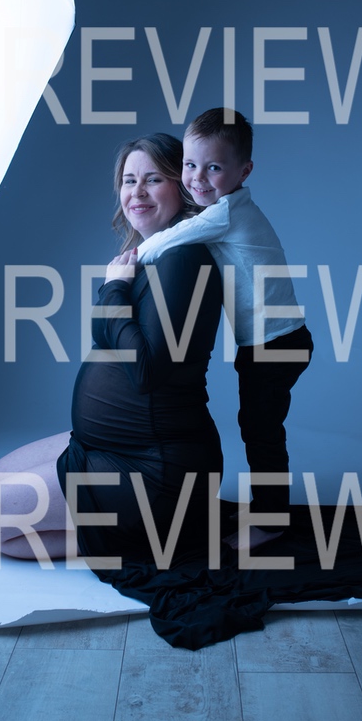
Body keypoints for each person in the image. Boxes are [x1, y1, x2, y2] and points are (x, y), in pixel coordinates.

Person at [0, 132, 224, 567]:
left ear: (182, 188)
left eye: (153, 180)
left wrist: (113, 290)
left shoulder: (183, 259)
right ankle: (130, 525)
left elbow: (144, 371)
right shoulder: (148, 254)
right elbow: (110, 334)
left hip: (153, 468)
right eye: (129, 181)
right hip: (105, 445)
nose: (137, 193)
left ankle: (155, 530)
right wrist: (116, 288)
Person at [137, 108, 314, 550]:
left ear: (243, 172)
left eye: (213, 168)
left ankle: (271, 520)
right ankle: (266, 507)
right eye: (189, 165)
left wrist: (130, 261)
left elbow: (172, 238)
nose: (197, 178)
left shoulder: (227, 213)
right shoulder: (228, 210)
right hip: (273, 341)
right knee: (258, 426)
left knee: (261, 431)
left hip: (276, 343)